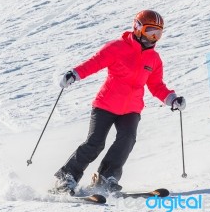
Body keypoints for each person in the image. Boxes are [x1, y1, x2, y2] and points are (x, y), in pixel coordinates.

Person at [53, 10, 186, 195]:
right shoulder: (117, 47)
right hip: (106, 104)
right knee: (95, 143)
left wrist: (172, 99)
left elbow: (156, 85)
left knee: (127, 140)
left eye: (158, 33)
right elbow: (94, 63)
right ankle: (67, 177)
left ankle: (106, 178)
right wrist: (74, 74)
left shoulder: (154, 59)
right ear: (138, 28)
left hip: (132, 109)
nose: (154, 37)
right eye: (150, 31)